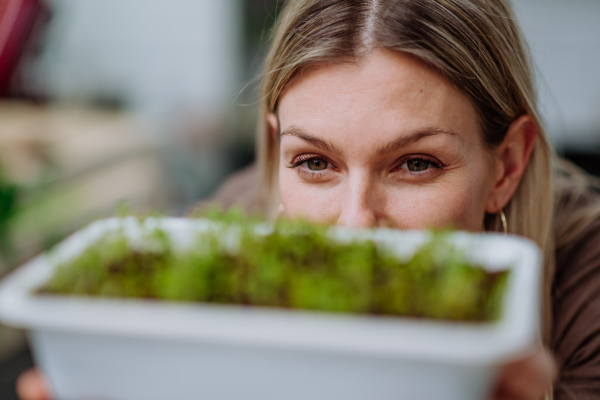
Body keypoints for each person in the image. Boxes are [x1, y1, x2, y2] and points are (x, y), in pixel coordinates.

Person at [18, 0, 600, 399]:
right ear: (275, 154)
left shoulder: (588, 292)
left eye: (416, 164)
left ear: (508, 165)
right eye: (315, 162)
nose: (354, 226)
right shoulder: (224, 245)